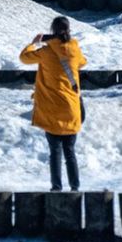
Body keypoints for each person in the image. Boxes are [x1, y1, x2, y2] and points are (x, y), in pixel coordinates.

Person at [19, 17, 86, 192]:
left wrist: (34, 43)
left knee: (55, 151)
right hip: (71, 107)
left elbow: (24, 58)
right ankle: (75, 187)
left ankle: (56, 187)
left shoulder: (46, 52)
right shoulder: (74, 49)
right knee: (70, 152)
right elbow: (83, 62)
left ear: (53, 30)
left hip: (52, 109)